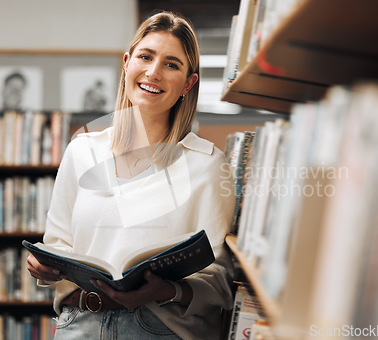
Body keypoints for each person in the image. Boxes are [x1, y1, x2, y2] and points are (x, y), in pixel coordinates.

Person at [27, 11, 235, 340]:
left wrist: (164, 290)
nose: (153, 72)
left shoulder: (208, 164)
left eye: (172, 64)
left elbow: (220, 280)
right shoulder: (82, 151)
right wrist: (44, 266)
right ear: (127, 63)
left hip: (158, 328)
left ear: (189, 83)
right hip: (79, 323)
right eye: (145, 56)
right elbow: (58, 244)